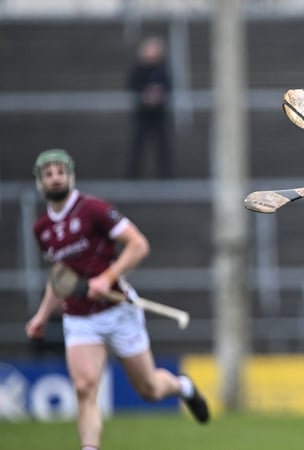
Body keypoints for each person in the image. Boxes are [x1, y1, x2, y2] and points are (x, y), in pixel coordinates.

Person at [25, 149, 208, 450]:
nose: (55, 178)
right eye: (48, 174)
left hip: (117, 309)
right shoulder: (41, 229)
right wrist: (42, 316)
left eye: (60, 172)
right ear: (40, 181)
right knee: (84, 388)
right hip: (79, 317)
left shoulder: (93, 209)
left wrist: (106, 278)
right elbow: (60, 279)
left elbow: (138, 245)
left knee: (149, 389)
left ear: (71, 176)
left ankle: (181, 386)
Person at [126, 36, 173, 179]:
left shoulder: (163, 69)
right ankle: (132, 177)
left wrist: (158, 94)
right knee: (137, 147)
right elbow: (132, 86)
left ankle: (167, 177)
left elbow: (168, 86)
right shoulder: (138, 69)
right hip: (143, 114)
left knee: (162, 148)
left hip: (159, 114)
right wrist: (144, 95)